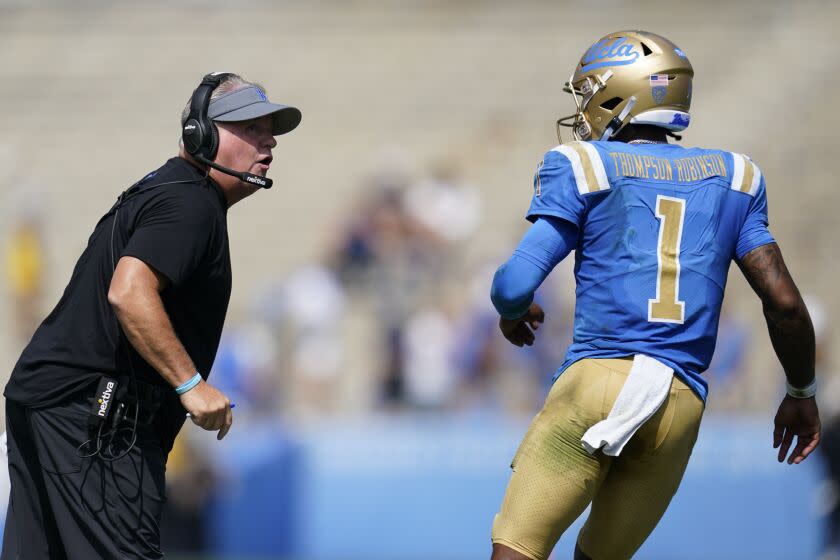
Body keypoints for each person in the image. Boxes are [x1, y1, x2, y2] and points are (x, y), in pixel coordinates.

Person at [488, 31, 820, 560]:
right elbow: (783, 305)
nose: (583, 108)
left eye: (592, 91)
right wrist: (802, 393)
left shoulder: (587, 164)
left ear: (620, 93)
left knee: (519, 550)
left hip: (596, 382)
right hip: (678, 402)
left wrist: (513, 312)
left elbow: (512, 284)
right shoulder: (735, 177)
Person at [1, 72, 301, 559]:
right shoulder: (191, 203)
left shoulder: (170, 189)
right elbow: (129, 290)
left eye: (270, 128)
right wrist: (191, 385)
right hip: (96, 421)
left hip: (50, 402)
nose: (267, 140)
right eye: (249, 126)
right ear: (200, 134)